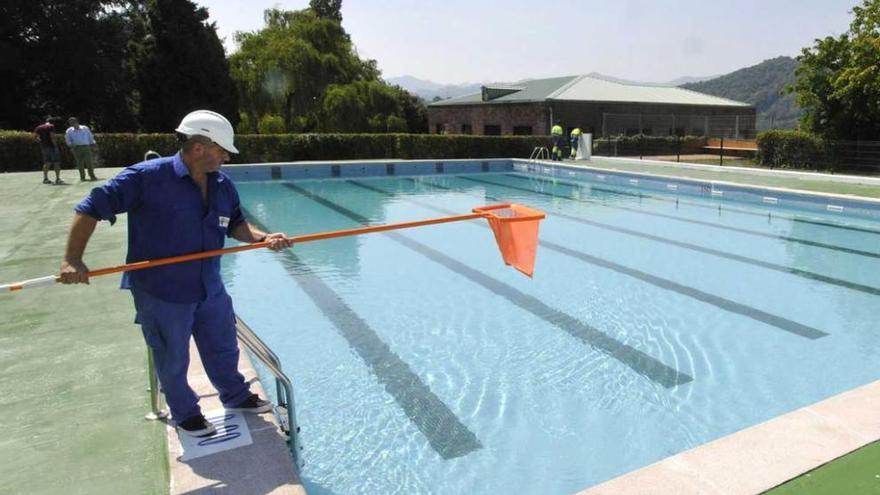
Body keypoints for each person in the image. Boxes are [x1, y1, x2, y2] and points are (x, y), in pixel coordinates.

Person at [59, 110, 294, 438]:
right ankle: (185, 414)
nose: (226, 157)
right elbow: (89, 208)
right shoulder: (145, 178)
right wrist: (72, 259)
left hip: (208, 285)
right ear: (199, 147)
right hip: (162, 290)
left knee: (223, 345)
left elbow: (236, 223)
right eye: (222, 150)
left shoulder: (223, 185)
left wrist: (261, 237)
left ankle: (236, 396)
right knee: (173, 356)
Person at [65, 117, 99, 181]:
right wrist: (71, 145)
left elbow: (90, 136)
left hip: (86, 147)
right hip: (76, 148)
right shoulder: (69, 131)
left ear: (76, 121)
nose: (71, 123)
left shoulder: (85, 128)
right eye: (70, 122)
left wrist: (94, 144)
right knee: (79, 163)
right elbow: (68, 140)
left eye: (72, 121)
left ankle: (92, 176)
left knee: (89, 162)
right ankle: (82, 177)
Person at [34, 116, 63, 184]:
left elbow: (35, 137)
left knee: (47, 162)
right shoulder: (51, 126)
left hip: (44, 147)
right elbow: (52, 136)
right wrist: (55, 145)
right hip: (51, 147)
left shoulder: (39, 127)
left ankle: (45, 178)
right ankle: (58, 179)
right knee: (56, 162)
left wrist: (41, 142)